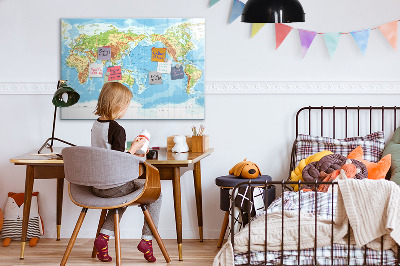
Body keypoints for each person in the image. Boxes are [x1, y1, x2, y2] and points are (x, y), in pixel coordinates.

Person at [91, 82, 161, 263]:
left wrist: (130, 150)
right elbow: (119, 161)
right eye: (126, 105)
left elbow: (108, 154)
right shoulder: (117, 129)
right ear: (118, 105)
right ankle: (147, 240)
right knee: (156, 194)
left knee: (121, 197)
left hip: (97, 186)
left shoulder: (96, 125)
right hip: (114, 186)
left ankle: (103, 238)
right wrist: (136, 148)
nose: (126, 109)